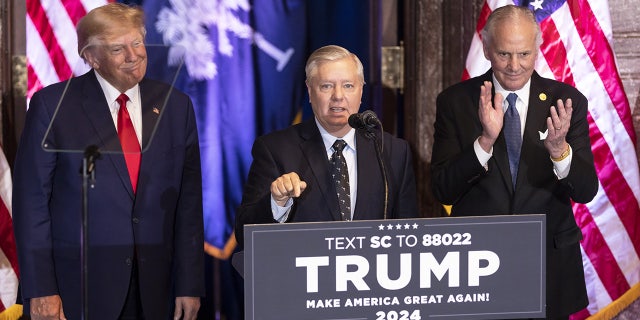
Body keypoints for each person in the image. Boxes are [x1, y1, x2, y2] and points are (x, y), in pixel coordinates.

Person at [13, 3, 204, 320]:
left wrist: (189, 283)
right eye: (118, 48)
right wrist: (41, 289)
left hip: (155, 290)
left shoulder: (175, 106)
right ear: (91, 56)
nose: (134, 55)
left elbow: (188, 203)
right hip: (76, 292)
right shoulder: (52, 106)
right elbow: (30, 205)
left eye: (138, 42)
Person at [431, 5, 598, 320]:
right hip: (478, 268)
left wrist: (560, 150)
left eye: (523, 54)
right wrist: (484, 143)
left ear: (537, 50)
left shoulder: (567, 102)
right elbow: (442, 190)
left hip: (548, 267)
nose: (514, 66)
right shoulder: (456, 102)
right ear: (486, 48)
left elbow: (586, 190)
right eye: (504, 54)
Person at [235, 45, 418, 247]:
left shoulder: (393, 152)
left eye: (348, 85)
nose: (338, 96)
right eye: (326, 86)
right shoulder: (275, 149)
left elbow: (409, 235)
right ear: (310, 91)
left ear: (361, 90)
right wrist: (276, 203)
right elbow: (244, 235)